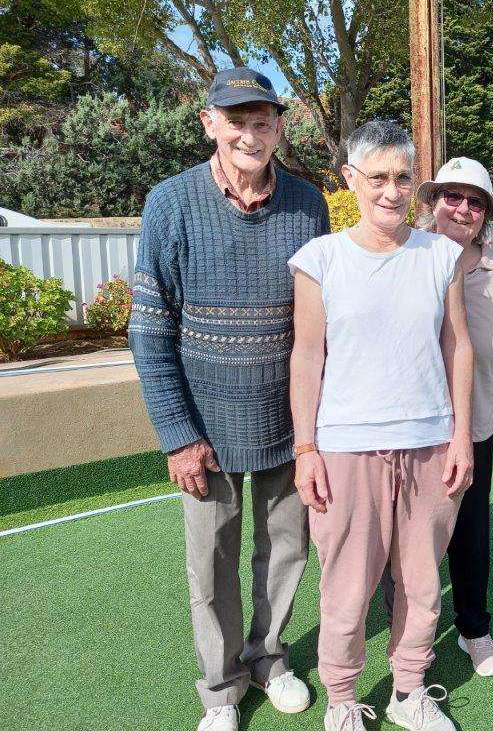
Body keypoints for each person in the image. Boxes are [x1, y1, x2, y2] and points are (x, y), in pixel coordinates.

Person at [128, 67, 328, 731]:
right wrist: (177, 435)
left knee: (287, 550)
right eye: (235, 120)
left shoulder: (308, 202)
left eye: (262, 120)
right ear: (209, 123)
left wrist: (313, 430)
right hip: (204, 432)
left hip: (286, 419)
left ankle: (269, 660)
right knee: (210, 564)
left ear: (279, 126)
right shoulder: (170, 202)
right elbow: (150, 332)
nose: (250, 133)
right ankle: (221, 687)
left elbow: (316, 324)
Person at [288, 121, 475, 731]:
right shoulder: (320, 259)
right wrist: (307, 448)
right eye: (377, 178)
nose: (391, 192)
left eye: (401, 178)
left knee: (421, 585)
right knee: (346, 589)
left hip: (429, 446)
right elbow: (307, 355)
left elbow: (458, 346)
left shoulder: (441, 255)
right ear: (351, 181)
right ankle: (342, 699)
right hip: (346, 450)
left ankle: (408, 691)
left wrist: (459, 437)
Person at [408, 156, 493, 677]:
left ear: (487, 215)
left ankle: (473, 630)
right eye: (452, 197)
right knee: (405, 544)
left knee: (469, 537)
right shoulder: (402, 259)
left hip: (471, 432)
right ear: (434, 203)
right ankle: (408, 636)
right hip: (407, 432)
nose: (462, 209)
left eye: (474, 201)